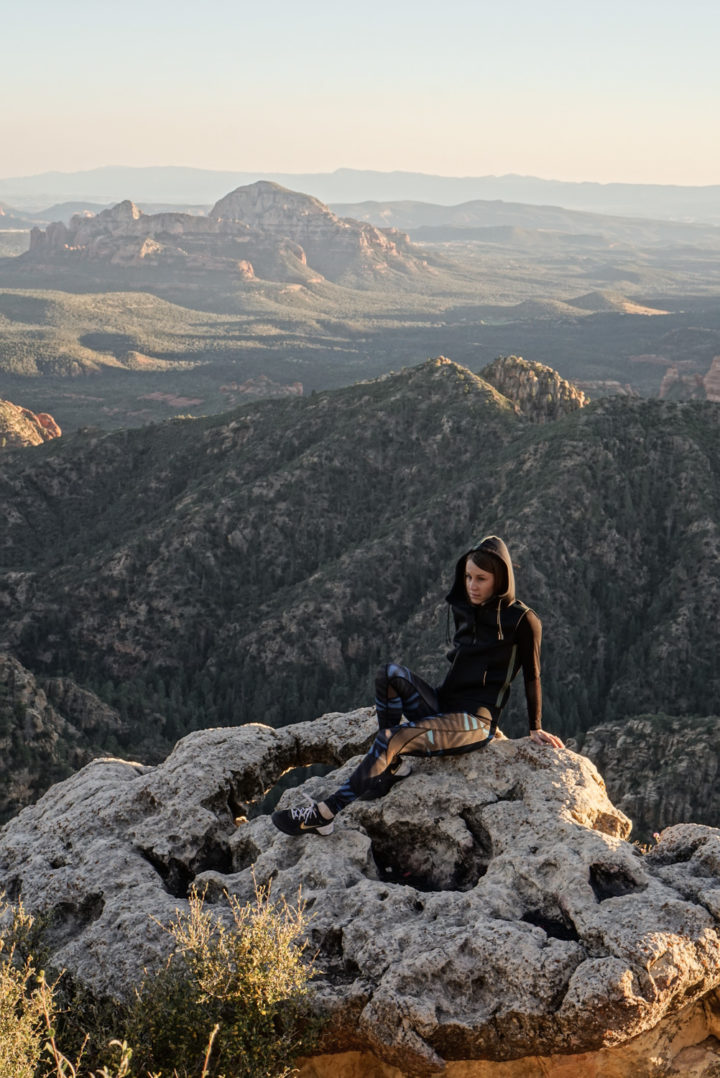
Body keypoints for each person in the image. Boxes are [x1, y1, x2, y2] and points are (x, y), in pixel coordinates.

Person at [272, 535, 564, 837]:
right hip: (442, 702)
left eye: (481, 579)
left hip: (474, 721)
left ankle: (325, 813)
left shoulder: (523, 620)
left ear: (500, 579)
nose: (472, 585)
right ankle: (392, 767)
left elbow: (533, 674)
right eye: (467, 577)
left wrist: (535, 726)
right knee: (389, 674)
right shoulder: (468, 608)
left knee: (393, 736)